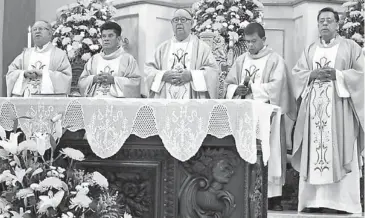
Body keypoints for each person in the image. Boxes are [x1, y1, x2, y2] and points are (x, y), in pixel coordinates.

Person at [291, 7, 364, 214]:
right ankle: (314, 201)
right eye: (321, 21)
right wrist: (311, 74)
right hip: (314, 112)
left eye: (329, 20)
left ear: (337, 24)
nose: (324, 24)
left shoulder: (350, 47)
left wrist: (338, 75)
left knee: (339, 150)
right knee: (314, 151)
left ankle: (342, 203)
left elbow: (362, 75)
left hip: (339, 111)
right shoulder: (310, 49)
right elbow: (297, 74)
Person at [224, 23, 296, 211]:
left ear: (264, 40)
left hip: (267, 115)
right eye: (247, 42)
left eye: (253, 41)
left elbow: (278, 86)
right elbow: (228, 83)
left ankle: (273, 197)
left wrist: (252, 89)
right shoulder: (240, 60)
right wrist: (235, 89)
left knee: (270, 152)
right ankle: (245, 191)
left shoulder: (275, 60)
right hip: (245, 116)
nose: (250, 45)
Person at [145, 9, 220, 99]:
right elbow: (148, 70)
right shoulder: (162, 48)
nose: (179, 23)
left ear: (191, 23)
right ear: (172, 24)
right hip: (165, 101)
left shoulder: (202, 48)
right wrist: (163, 75)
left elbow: (213, 72)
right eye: (176, 20)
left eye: (183, 19)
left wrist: (191, 76)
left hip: (192, 103)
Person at [6, 20, 72, 97]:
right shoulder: (25, 54)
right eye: (34, 29)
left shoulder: (59, 54)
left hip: (49, 101)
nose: (37, 31)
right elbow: (11, 73)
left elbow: (66, 77)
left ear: (50, 33)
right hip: (26, 98)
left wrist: (44, 74)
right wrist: (23, 74)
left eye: (40, 29)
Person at [78, 21, 143, 98]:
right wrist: (93, 79)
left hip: (118, 105)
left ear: (118, 39)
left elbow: (135, 83)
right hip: (95, 103)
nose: (106, 39)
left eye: (110, 36)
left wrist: (114, 80)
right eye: (104, 36)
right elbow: (82, 81)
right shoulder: (94, 59)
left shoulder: (128, 59)